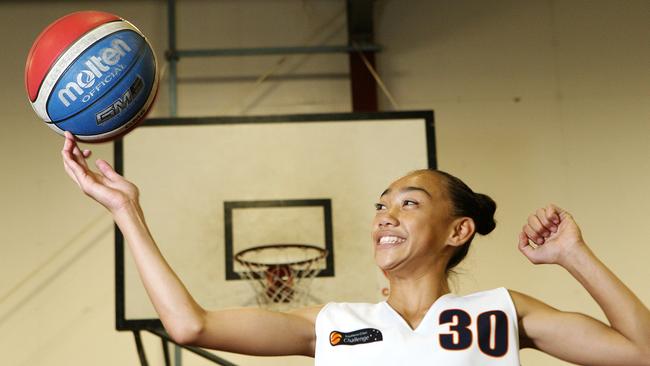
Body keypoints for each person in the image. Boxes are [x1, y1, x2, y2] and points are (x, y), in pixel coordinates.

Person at [61, 132, 650, 365]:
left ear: (458, 231)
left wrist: (574, 254)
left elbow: (640, 351)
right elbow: (189, 327)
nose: (385, 216)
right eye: (381, 205)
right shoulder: (332, 323)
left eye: (411, 203)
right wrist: (126, 212)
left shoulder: (502, 310)